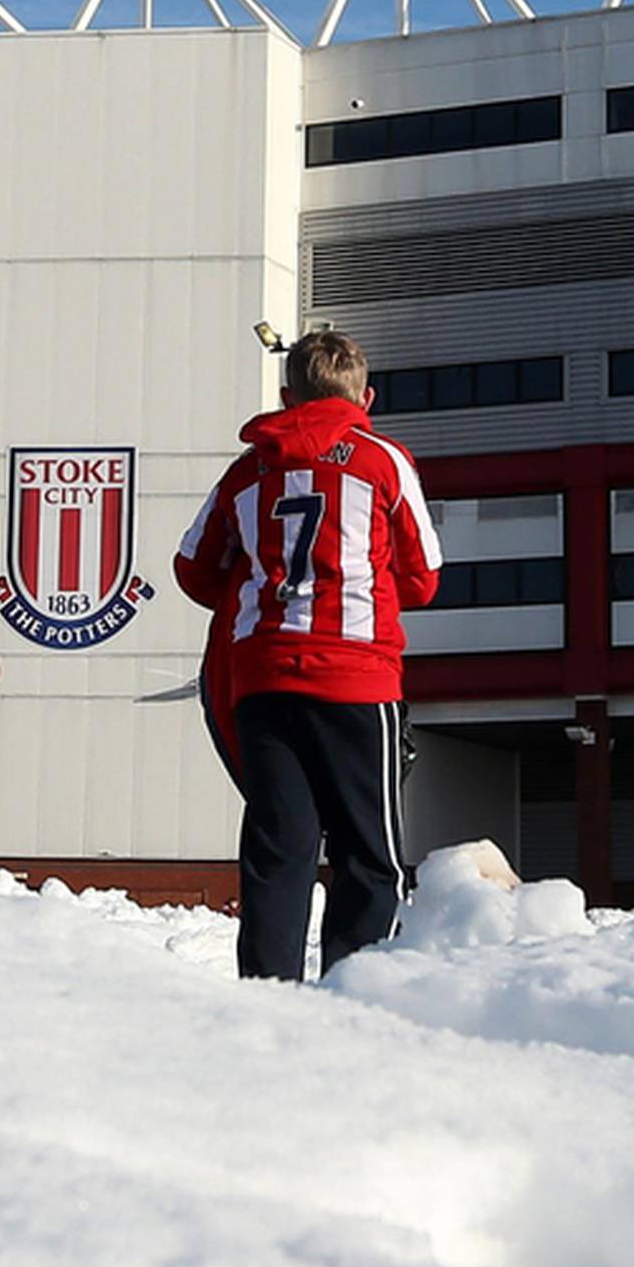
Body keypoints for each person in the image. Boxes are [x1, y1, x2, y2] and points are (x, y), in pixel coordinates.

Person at [175, 328, 440, 980]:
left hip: (265, 675)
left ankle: (268, 995)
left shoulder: (249, 468)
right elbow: (424, 575)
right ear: (366, 397)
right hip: (356, 677)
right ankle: (356, 989)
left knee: (279, 847)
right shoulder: (383, 461)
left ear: (287, 394)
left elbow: (192, 567)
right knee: (368, 850)